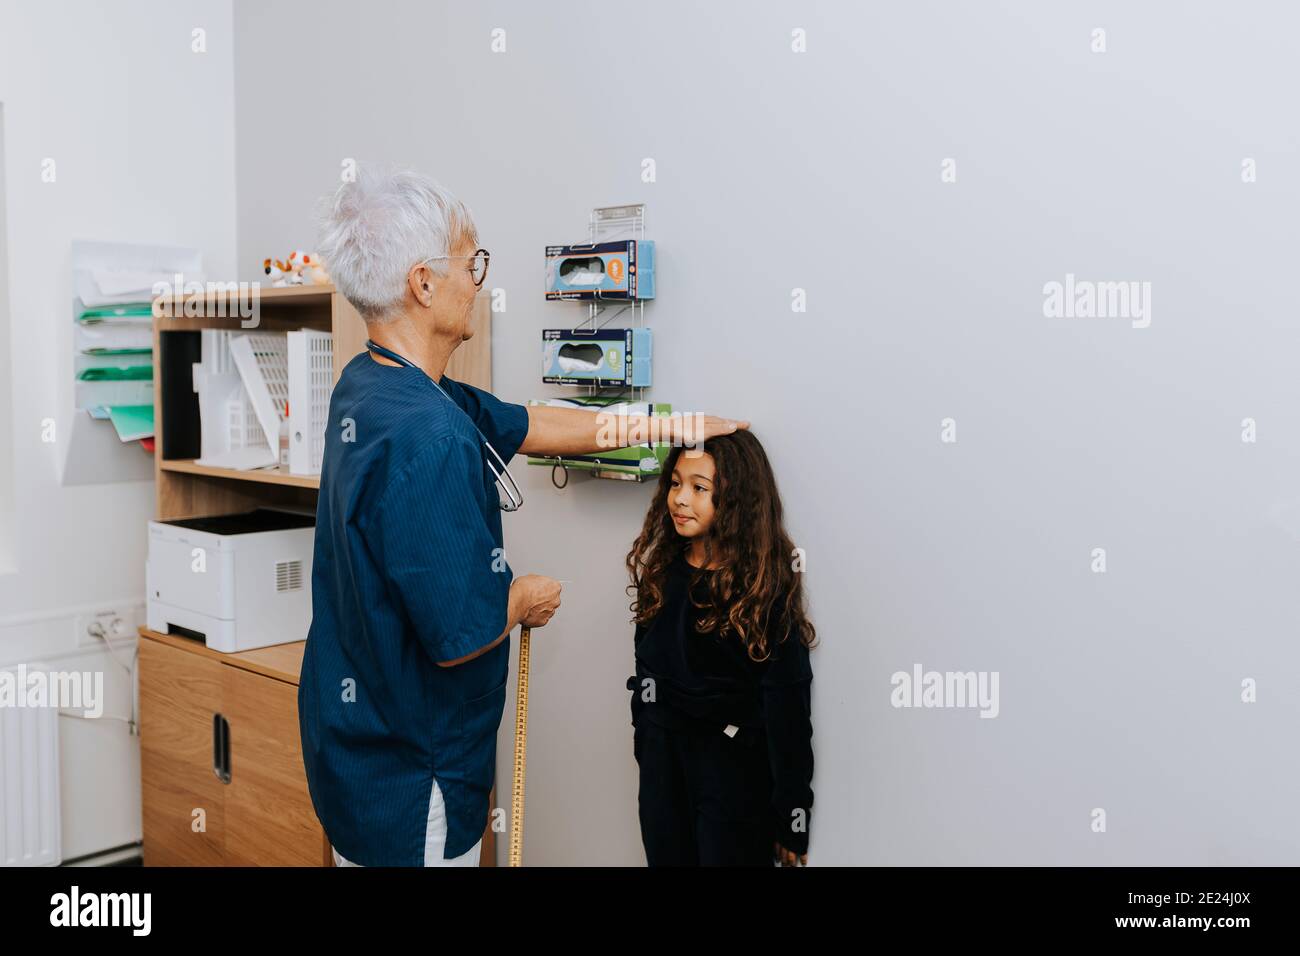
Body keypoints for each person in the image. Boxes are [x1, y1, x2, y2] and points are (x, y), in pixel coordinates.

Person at [299, 164, 746, 866]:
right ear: (423, 283)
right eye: (472, 263)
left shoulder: (377, 387)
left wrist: (666, 425)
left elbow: (532, 424)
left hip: (352, 754)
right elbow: (460, 635)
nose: (478, 281)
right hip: (415, 784)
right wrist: (523, 599)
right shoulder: (430, 435)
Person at [625, 430, 816, 866]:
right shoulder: (661, 574)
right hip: (664, 772)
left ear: (734, 499)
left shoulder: (763, 591)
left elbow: (788, 711)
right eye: (675, 483)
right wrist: (648, 743)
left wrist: (793, 817)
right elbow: (646, 673)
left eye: (699, 488)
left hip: (732, 780)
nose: (680, 499)